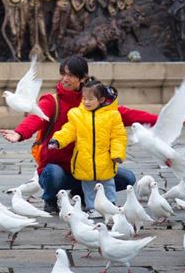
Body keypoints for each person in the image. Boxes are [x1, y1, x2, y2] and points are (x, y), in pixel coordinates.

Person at [0, 55, 158, 214]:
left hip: (87, 167)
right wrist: (19, 133)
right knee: (52, 175)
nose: (64, 79)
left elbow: (131, 115)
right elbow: (35, 118)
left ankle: (80, 192)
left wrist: (166, 121)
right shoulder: (52, 101)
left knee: (127, 178)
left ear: (82, 78)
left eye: (70, 75)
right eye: (62, 74)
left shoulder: (96, 103)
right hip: (59, 167)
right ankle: (50, 199)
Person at [48, 79, 126, 215]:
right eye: (84, 98)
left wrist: (117, 153)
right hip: (84, 161)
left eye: (90, 99)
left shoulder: (113, 115)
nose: (86, 102)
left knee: (108, 185)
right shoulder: (77, 114)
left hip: (105, 160)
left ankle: (111, 206)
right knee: (89, 187)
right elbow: (68, 130)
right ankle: (91, 208)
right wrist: (57, 140)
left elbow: (118, 137)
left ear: (101, 99)